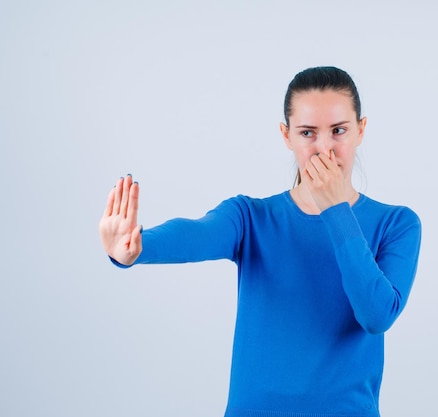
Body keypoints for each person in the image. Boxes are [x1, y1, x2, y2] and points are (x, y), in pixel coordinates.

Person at [99, 66, 421, 417]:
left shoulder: (397, 224)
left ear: (360, 130)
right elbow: (198, 233)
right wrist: (138, 246)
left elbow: (376, 315)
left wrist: (336, 211)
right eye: (308, 132)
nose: (324, 149)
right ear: (287, 136)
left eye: (338, 130)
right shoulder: (250, 218)